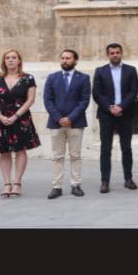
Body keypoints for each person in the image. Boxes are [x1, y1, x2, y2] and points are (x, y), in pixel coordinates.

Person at [0, 49, 41, 197]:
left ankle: (17, 183)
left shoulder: (28, 78)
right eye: (7, 58)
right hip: (1, 119)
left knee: (20, 150)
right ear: (4, 61)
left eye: (14, 57)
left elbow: (30, 100)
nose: (10, 60)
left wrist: (16, 116)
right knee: (4, 151)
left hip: (21, 119)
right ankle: (6, 184)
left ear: (19, 61)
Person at [43, 49, 91, 199]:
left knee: (75, 155)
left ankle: (76, 184)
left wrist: (70, 118)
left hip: (75, 123)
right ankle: (57, 186)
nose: (64, 60)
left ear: (75, 60)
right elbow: (47, 100)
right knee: (57, 156)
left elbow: (84, 100)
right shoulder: (52, 78)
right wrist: (59, 118)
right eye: (62, 58)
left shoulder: (83, 78)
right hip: (56, 123)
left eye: (68, 58)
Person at [93, 42, 138, 193]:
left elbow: (133, 92)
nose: (115, 55)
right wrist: (110, 107)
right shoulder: (100, 71)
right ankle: (105, 181)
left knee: (126, 148)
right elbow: (97, 93)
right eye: (112, 53)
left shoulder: (131, 70)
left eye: (117, 52)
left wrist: (121, 106)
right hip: (107, 115)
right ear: (108, 55)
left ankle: (128, 179)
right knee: (105, 149)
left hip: (125, 114)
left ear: (121, 53)